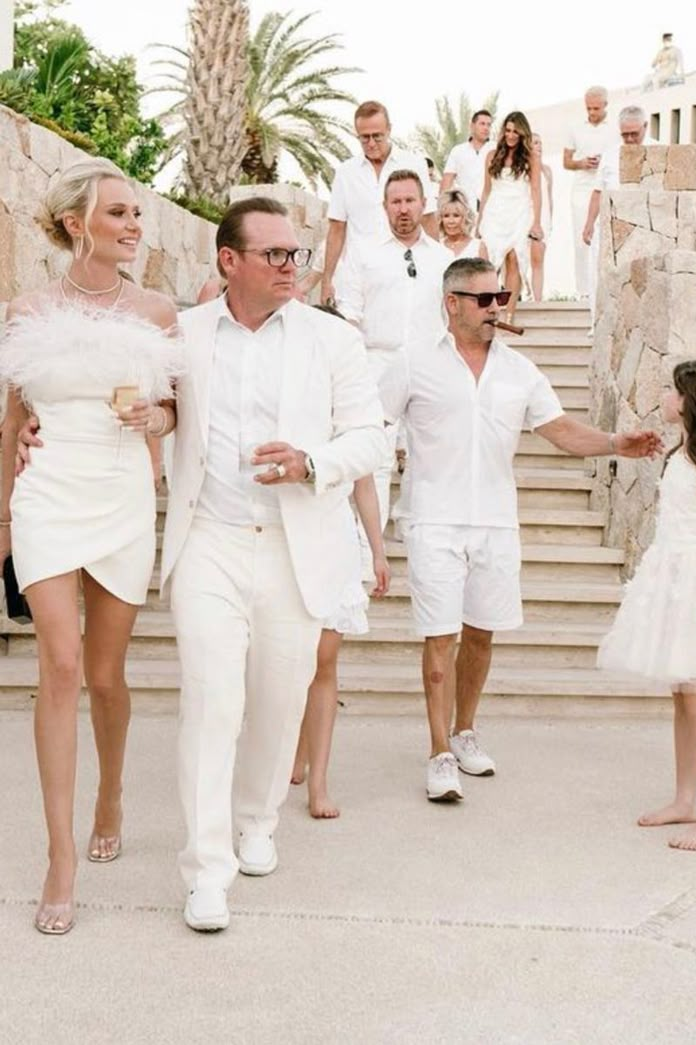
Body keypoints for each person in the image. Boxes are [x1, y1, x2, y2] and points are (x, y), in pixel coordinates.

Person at [159, 197, 386, 932]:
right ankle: (206, 869)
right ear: (230, 261)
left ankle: (258, 820)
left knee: (279, 695)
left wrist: (311, 460)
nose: (293, 265)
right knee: (210, 698)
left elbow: (370, 440)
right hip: (210, 540)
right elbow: (148, 408)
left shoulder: (333, 341)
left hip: (298, 543)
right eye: (276, 254)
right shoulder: (182, 332)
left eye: (297, 253)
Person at [379, 257, 663, 803]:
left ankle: (464, 733)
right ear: (453, 303)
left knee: (481, 634)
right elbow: (374, 424)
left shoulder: (519, 370)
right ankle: (438, 753)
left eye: (501, 297)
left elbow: (558, 428)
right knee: (440, 638)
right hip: (432, 518)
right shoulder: (412, 363)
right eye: (484, 300)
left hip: (495, 521)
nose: (495, 309)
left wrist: (614, 444)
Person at [0, 159, 182, 935]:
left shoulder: (158, 310)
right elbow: (12, 422)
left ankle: (111, 790)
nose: (134, 227)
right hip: (48, 492)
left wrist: (158, 422)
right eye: (119, 214)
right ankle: (60, 854)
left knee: (106, 675)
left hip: (120, 495)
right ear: (78, 223)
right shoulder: (28, 310)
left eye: (136, 214)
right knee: (62, 665)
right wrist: (3, 518)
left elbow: (176, 409)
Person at [598, 360, 696, 851]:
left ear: (693, 398)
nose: (664, 396)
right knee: (682, 694)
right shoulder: (685, 452)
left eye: (672, 390)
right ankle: (685, 799)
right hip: (672, 576)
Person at [337, 170, 453, 561]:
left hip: (428, 367)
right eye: (396, 201)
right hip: (376, 365)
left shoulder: (444, 259)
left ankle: (425, 547)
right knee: (375, 458)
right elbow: (348, 312)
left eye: (410, 200)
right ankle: (365, 555)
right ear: (385, 206)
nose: (403, 209)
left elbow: (451, 318)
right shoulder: (364, 252)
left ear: (424, 204)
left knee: (426, 460)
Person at [291, 373, 390, 817]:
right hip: (285, 542)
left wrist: (378, 552)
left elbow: (364, 486)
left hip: (336, 545)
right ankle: (293, 751)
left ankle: (319, 782)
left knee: (324, 661)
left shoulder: (353, 415)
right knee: (290, 659)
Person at [321, 101, 437, 305]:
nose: (372, 143)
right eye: (364, 137)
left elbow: (428, 219)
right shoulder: (346, 173)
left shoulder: (414, 164)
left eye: (377, 136)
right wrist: (327, 279)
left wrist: (435, 270)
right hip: (357, 277)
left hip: (403, 273)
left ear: (389, 130)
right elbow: (337, 228)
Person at [582, 106, 651, 311]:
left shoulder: (659, 149)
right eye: (624, 134)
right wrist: (588, 224)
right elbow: (598, 190)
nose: (629, 139)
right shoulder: (610, 154)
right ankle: (597, 321)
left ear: (645, 127)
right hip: (611, 225)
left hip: (643, 225)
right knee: (600, 272)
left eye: (634, 134)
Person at [477, 111, 542, 323]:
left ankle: (509, 314)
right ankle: (486, 311)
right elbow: (486, 191)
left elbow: (535, 190)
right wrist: (479, 221)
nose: (511, 135)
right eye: (508, 130)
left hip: (520, 210)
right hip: (496, 210)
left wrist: (537, 222)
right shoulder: (491, 155)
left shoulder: (531, 157)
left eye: (515, 131)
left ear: (523, 133)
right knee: (489, 262)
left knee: (514, 257)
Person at [563, 86, 616, 300]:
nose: (592, 112)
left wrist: (605, 163)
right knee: (581, 239)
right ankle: (583, 291)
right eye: (588, 108)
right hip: (582, 188)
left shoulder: (615, 128)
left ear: (605, 105)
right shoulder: (575, 128)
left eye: (596, 108)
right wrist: (582, 163)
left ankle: (605, 288)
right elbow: (566, 162)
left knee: (607, 237)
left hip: (608, 186)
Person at [440, 109, 494, 211]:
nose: (486, 128)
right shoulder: (458, 151)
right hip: (464, 210)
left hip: (491, 209)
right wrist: (443, 209)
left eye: (489, 125)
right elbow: (446, 183)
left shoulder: (497, 149)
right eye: (482, 124)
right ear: (472, 126)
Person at [530, 134, 554, 302]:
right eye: (534, 143)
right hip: (526, 216)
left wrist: (549, 221)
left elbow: (550, 197)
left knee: (538, 259)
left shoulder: (546, 170)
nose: (539, 146)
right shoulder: (522, 169)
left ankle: (537, 299)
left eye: (540, 142)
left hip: (543, 219)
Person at [437, 188, 489, 260]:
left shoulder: (478, 247)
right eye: (446, 216)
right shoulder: (437, 247)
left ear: (465, 217)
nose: (451, 221)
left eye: (456, 215)